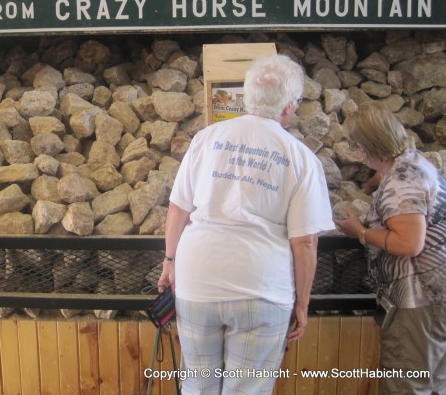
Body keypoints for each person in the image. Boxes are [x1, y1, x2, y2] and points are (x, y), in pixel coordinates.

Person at [158, 54, 333, 394]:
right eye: (296, 103)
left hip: (198, 281)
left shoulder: (207, 139)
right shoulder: (301, 158)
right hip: (262, 286)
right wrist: (302, 303)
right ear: (287, 106)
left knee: (197, 382)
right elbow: (305, 242)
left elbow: (178, 207)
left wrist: (169, 261)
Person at [333, 101, 446, 394]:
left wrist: (361, 232)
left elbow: (409, 243)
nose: (354, 152)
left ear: (366, 147)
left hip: (419, 299)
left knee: (406, 383)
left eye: (355, 146)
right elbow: (392, 179)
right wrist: (374, 182)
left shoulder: (400, 183)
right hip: (437, 296)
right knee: (435, 381)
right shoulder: (412, 162)